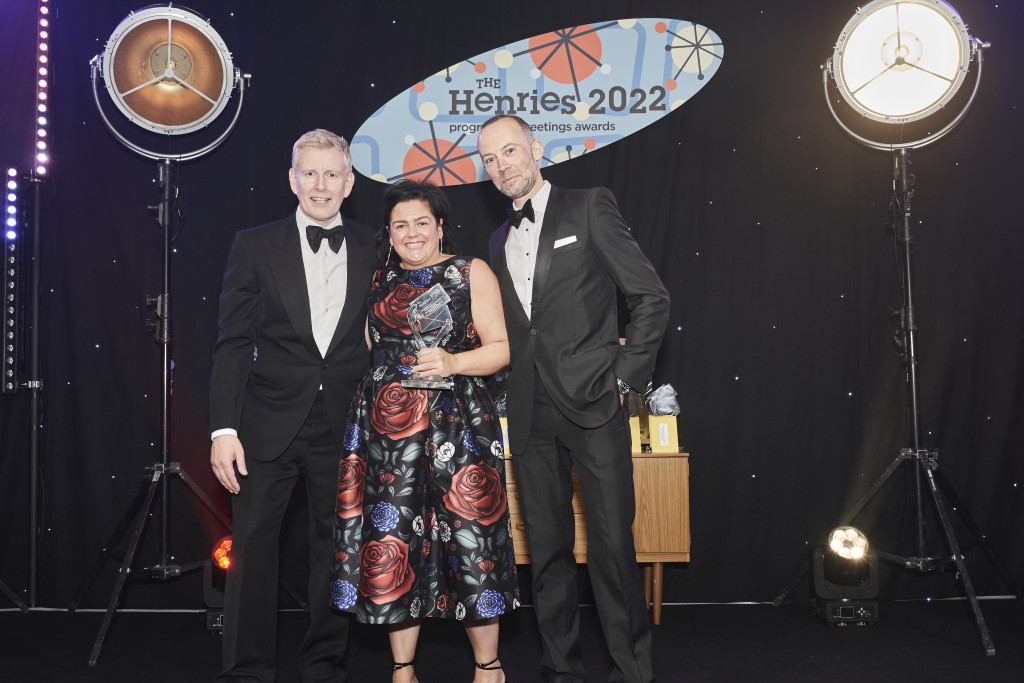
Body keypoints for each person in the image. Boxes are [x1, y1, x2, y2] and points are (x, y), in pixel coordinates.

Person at [476, 115, 670, 683]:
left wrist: (626, 380)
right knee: (547, 553)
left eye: (510, 150)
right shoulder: (496, 239)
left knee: (612, 552)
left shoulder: (589, 205)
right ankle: (561, 670)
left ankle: (632, 673)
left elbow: (651, 297)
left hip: (594, 405)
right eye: (490, 159)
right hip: (529, 410)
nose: (502, 164)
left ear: (537, 149)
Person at [330, 179, 519, 683]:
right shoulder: (376, 282)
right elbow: (372, 354)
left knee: (470, 539)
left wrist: (454, 360)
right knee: (395, 543)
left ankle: (489, 668)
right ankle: (403, 670)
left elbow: (501, 348)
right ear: (388, 234)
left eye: (421, 223)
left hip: (459, 423)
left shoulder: (469, 272)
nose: (411, 233)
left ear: (440, 227)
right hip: (389, 435)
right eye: (400, 225)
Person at [209, 128, 375, 682]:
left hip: (344, 427)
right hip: (265, 427)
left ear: (349, 183)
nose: (321, 185)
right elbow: (233, 343)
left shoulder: (377, 246)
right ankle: (248, 671)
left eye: (333, 174)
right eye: (310, 172)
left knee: (335, 554)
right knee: (253, 551)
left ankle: (323, 666)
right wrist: (222, 431)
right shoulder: (254, 245)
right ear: (292, 179)